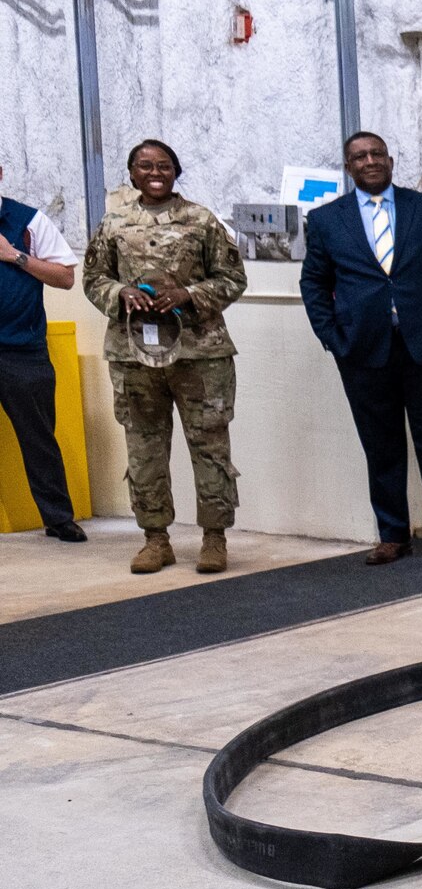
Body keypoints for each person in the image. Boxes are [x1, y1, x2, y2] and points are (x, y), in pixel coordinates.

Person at [300, 132, 422, 569]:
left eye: (376, 153)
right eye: (359, 157)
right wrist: (333, 338)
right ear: (349, 168)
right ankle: (392, 535)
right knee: (380, 445)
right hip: (362, 351)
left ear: (390, 160)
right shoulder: (326, 220)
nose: (370, 161)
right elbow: (314, 284)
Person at [83, 140, 247, 574]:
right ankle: (156, 539)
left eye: (164, 165)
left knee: (210, 447)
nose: (155, 172)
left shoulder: (202, 220)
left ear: (176, 171)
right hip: (134, 355)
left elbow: (232, 277)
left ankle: (215, 538)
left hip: (200, 355)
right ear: (132, 173)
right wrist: (122, 293)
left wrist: (188, 295)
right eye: (145, 166)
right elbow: (93, 277)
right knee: (144, 449)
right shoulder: (114, 222)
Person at [0, 162, 87, 543]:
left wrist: (14, 255)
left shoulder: (27, 220)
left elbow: (66, 277)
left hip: (22, 350)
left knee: (38, 438)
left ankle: (58, 518)